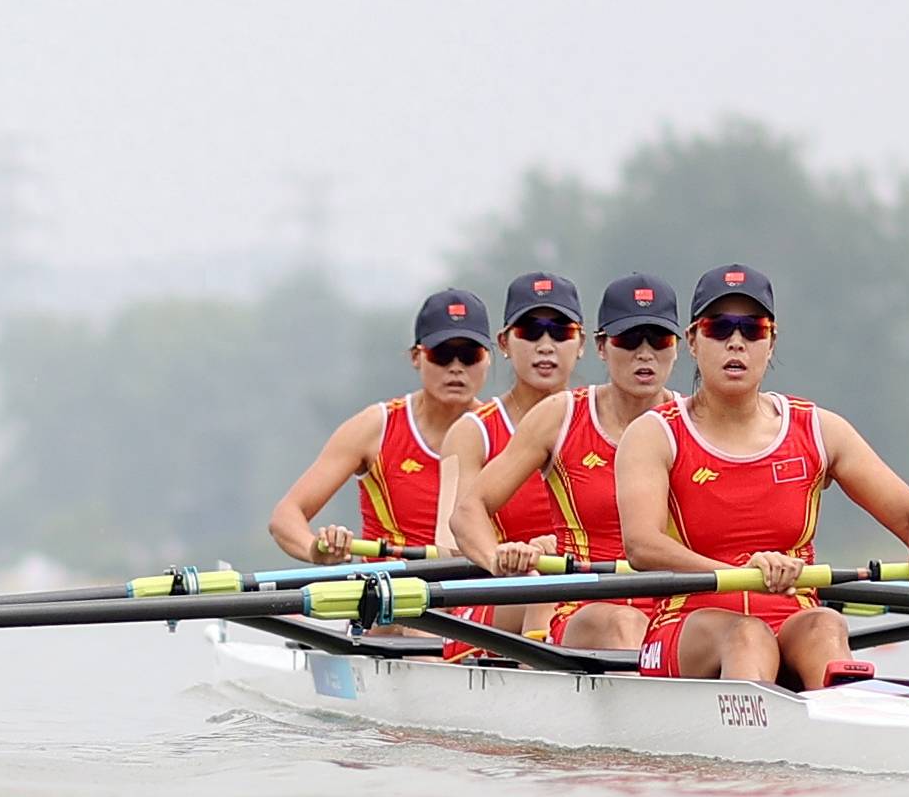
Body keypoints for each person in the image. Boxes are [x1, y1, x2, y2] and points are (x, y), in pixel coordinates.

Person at [612, 263, 909, 688]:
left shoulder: (819, 430)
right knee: (747, 634)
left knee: (826, 623)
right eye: (719, 328)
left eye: (753, 329)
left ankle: (841, 708)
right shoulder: (654, 433)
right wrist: (741, 570)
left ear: (771, 343)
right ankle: (761, 720)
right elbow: (641, 546)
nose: (736, 341)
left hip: (792, 616)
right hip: (687, 622)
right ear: (694, 341)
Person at [450, 271, 687, 651]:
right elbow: (463, 517)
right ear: (601, 346)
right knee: (616, 620)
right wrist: (500, 558)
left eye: (659, 339)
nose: (644, 353)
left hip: (675, 604)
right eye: (628, 339)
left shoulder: (695, 420)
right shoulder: (552, 417)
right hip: (578, 600)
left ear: (678, 347)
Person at [266, 288, 498, 564]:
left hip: (479, 584)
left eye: (470, 355)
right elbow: (286, 516)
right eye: (442, 354)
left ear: (488, 358)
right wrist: (315, 550)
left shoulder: (507, 432)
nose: (456, 367)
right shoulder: (374, 427)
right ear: (416, 357)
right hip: (395, 586)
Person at [430, 273, 588, 636]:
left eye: (561, 332)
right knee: (544, 589)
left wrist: (560, 548)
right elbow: (448, 547)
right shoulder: (472, 431)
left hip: (582, 592)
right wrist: (502, 558)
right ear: (504, 342)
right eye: (530, 332)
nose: (545, 346)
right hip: (496, 594)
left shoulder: (599, 420)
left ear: (580, 343)